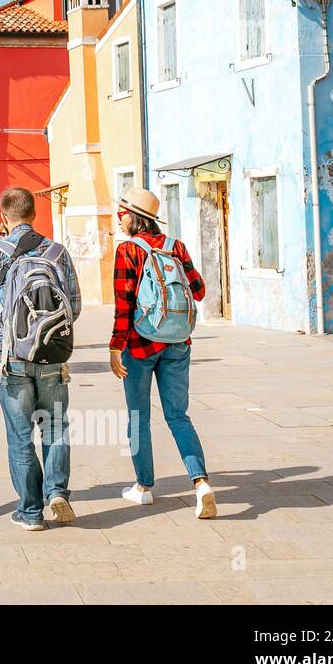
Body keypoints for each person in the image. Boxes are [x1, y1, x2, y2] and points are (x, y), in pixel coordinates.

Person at [0, 187, 82, 532]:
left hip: (12, 358)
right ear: (34, 213)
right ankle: (56, 492)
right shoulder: (58, 252)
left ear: (4, 217)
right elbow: (74, 305)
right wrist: (46, 334)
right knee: (55, 427)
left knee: (20, 434)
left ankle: (30, 512)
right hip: (52, 356)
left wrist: (4, 336)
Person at [109, 188, 215, 519]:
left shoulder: (128, 250)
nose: (119, 218)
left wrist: (115, 346)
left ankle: (143, 487)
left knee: (139, 416)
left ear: (132, 217)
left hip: (140, 345)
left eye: (121, 213)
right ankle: (201, 484)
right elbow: (199, 291)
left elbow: (123, 304)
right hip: (178, 342)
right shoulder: (176, 247)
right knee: (178, 416)